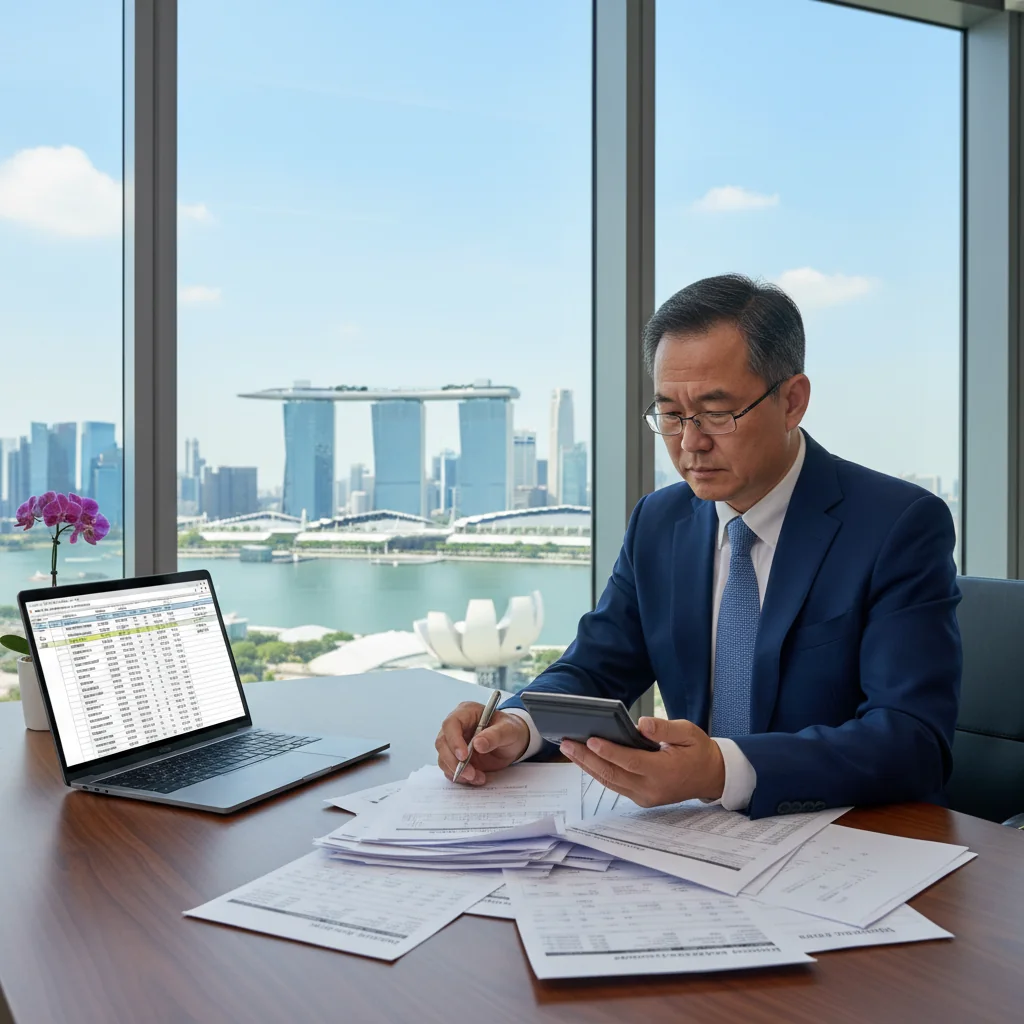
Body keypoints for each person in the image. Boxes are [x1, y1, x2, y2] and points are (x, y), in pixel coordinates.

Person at [435, 273, 961, 818]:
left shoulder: (896, 525)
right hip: (696, 844)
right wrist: (517, 727)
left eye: (716, 412)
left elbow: (912, 741)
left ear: (792, 401)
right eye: (670, 414)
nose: (690, 443)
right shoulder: (659, 522)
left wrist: (721, 770)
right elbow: (593, 668)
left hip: (855, 844)